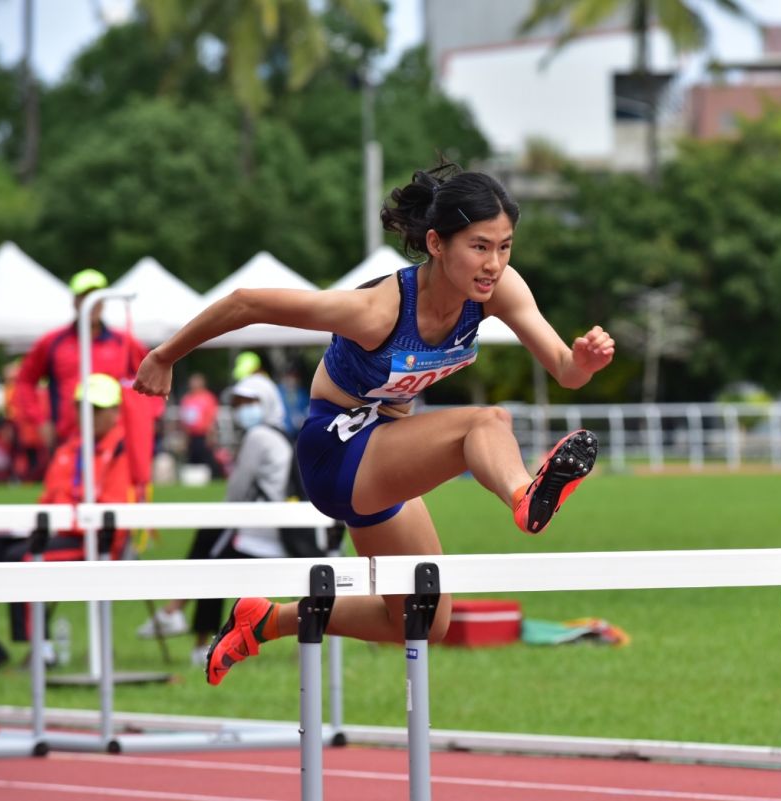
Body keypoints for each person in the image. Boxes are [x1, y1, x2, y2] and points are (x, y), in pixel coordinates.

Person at [133, 162, 615, 686]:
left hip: (387, 457)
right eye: (479, 246)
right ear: (435, 243)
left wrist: (583, 362)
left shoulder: (496, 291)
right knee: (486, 422)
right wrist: (164, 355)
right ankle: (527, 498)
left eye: (505, 247)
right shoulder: (377, 311)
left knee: (424, 619)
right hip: (335, 451)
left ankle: (266, 620)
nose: (494, 264)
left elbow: (564, 370)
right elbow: (247, 303)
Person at [138, 373, 314, 666]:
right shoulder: (281, 433)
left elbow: (235, 493)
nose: (243, 409)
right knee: (210, 538)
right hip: (281, 529)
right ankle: (175, 612)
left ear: (266, 402)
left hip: (269, 534)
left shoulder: (259, 437)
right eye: (239, 403)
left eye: (249, 402)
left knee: (213, 559)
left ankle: (188, 628)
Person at [0, 374, 134, 668]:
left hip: (92, 542)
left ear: (115, 412)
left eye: (97, 409)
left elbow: (111, 514)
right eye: (82, 408)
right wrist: (24, 525)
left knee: (23, 558)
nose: (88, 416)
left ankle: (42, 647)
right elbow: (48, 500)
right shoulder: (67, 450)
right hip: (54, 530)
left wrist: (59, 522)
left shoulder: (121, 453)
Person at [11, 268, 162, 494]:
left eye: (98, 296)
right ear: (75, 300)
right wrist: (39, 420)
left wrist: (148, 415)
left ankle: (119, 531)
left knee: (117, 496)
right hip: (68, 436)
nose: (92, 303)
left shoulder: (124, 342)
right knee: (65, 494)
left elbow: (154, 374)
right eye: (85, 295)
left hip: (114, 437)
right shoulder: (53, 342)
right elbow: (25, 381)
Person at [178, 373, 221, 478]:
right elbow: (184, 419)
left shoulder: (208, 398)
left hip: (204, 435)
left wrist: (210, 436)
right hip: (191, 436)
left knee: (206, 460)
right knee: (193, 461)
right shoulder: (187, 399)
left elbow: (212, 418)